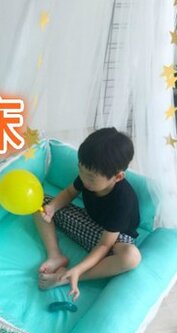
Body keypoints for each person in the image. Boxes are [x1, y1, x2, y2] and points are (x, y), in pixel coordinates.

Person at [34, 127, 142, 299]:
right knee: (38, 203)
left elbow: (105, 245)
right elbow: (69, 192)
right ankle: (55, 255)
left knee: (132, 257)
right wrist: (52, 207)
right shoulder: (87, 176)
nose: (84, 179)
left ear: (118, 177)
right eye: (81, 171)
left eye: (91, 177)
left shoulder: (124, 200)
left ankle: (66, 278)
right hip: (90, 226)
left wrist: (78, 269)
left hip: (114, 241)